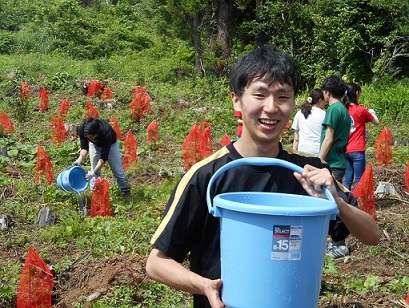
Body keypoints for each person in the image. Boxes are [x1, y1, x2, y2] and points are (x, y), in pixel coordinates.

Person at [145, 46, 380, 308]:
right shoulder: (207, 175)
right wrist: (203, 285)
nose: (271, 108)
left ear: (293, 102)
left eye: (282, 97)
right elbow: (156, 263)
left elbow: (372, 234)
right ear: (236, 100)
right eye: (259, 95)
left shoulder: (308, 171)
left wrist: (337, 202)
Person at [73, 117, 130, 201]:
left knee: (118, 171)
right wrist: (80, 159)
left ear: (97, 133)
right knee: (94, 171)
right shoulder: (83, 129)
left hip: (111, 146)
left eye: (91, 136)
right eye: (87, 136)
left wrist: (93, 172)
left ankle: (125, 191)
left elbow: (104, 157)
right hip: (95, 145)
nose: (88, 137)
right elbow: (84, 147)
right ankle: (95, 195)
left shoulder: (106, 133)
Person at [343, 83, 379, 190]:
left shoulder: (343, 110)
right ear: (357, 93)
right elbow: (376, 122)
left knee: (347, 179)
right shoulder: (360, 110)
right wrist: (372, 112)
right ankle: (357, 204)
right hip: (358, 149)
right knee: (359, 179)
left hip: (346, 149)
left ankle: (346, 201)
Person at [318, 75, 350, 183]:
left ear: (328, 92)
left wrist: (319, 161)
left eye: (324, 91)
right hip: (339, 161)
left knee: (329, 197)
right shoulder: (343, 109)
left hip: (332, 163)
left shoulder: (333, 109)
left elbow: (328, 139)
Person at [292, 88, 326, 156]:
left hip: (302, 153)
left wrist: (293, 154)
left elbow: (296, 139)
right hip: (318, 153)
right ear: (320, 100)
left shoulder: (300, 113)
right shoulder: (324, 114)